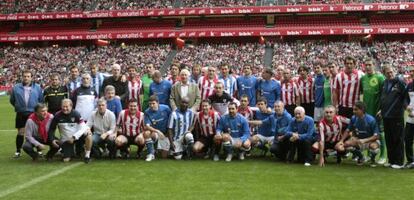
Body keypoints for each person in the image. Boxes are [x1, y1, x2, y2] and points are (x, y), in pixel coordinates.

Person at [380, 64, 409, 169]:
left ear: (394, 71)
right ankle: (391, 160)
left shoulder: (400, 82)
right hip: (386, 115)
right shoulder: (384, 83)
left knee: (398, 139)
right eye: (387, 72)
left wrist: (407, 107)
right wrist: (381, 110)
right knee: (389, 139)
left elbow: (406, 96)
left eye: (391, 71)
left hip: (396, 115)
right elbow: (383, 98)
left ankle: (399, 161)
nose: (390, 74)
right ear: (384, 73)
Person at [10, 69, 43, 158]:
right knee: (21, 132)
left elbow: (41, 100)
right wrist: (19, 107)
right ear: (22, 77)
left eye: (28, 76)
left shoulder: (37, 87)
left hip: (33, 113)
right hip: (21, 113)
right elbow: (12, 100)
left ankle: (39, 150)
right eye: (24, 76)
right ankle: (18, 151)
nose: (26, 78)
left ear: (31, 78)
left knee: (36, 133)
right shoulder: (16, 87)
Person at [48, 99, 92, 163]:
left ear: (71, 106)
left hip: (77, 137)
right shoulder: (57, 115)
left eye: (67, 107)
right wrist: (52, 140)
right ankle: (65, 151)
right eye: (63, 106)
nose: (65, 108)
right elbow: (51, 129)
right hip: (67, 140)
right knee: (66, 160)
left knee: (89, 135)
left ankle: (87, 156)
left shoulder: (76, 114)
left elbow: (83, 127)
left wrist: (74, 137)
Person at [337, 102, 380, 167]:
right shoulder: (353, 118)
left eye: (356, 109)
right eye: (353, 109)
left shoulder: (371, 120)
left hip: (370, 141)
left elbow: (376, 136)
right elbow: (348, 130)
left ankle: (372, 159)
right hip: (358, 140)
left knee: (375, 148)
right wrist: (341, 141)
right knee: (346, 145)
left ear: (362, 110)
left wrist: (365, 140)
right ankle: (361, 157)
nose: (354, 111)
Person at [360, 58, 386, 164]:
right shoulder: (363, 78)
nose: (368, 67)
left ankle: (383, 156)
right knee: (368, 133)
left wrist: (382, 109)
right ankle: (370, 155)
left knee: (380, 133)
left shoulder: (380, 77)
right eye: (366, 65)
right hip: (367, 112)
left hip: (377, 112)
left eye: (370, 65)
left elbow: (385, 95)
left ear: (374, 65)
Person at [144, 95, 172, 160]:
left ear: (158, 103)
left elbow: (171, 120)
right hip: (156, 133)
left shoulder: (166, 108)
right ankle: (151, 154)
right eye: (150, 104)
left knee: (164, 156)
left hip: (166, 134)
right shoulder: (147, 112)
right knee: (147, 133)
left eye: (153, 103)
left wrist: (169, 133)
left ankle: (165, 148)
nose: (151, 105)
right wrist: (157, 131)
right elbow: (147, 126)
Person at [405, 65, 414, 169]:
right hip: (411, 117)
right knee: (407, 139)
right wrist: (406, 106)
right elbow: (405, 99)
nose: (411, 73)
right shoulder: (410, 85)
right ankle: (410, 160)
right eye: (411, 71)